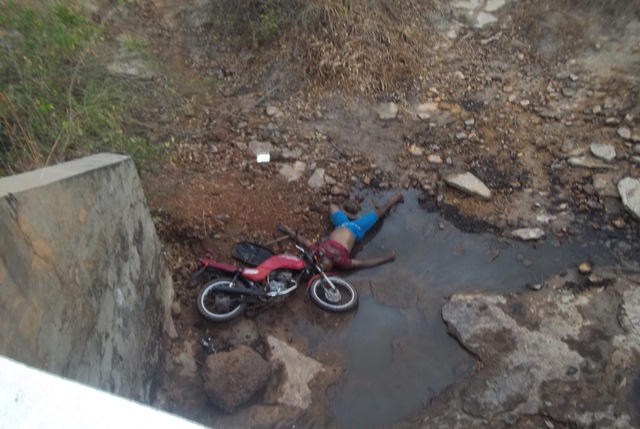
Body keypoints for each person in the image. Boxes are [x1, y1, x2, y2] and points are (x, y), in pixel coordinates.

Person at [278, 193, 404, 271]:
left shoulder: (319, 252)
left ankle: (351, 215)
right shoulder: (341, 261)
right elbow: (363, 263)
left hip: (341, 224)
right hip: (356, 229)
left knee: (332, 206)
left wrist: (288, 231)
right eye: (325, 268)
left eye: (321, 266)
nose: (324, 267)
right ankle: (396, 198)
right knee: (378, 214)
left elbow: (305, 241)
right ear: (331, 268)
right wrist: (386, 259)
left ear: (319, 261)